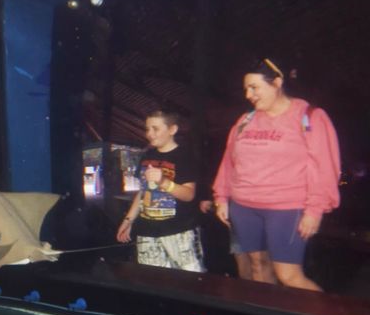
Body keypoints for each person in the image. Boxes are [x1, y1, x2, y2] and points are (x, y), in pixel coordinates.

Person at [213, 58, 341, 291]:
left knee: (289, 276)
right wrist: (221, 196)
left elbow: (324, 167)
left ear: (277, 83)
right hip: (243, 207)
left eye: (254, 87)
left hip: (286, 208)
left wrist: (315, 210)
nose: (248, 94)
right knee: (258, 266)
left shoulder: (310, 117)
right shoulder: (245, 120)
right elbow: (229, 161)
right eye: (246, 89)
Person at [116, 110, 204, 272]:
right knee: (153, 282)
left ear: (172, 130)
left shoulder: (185, 156)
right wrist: (128, 220)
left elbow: (189, 194)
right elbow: (142, 193)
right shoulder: (146, 156)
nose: (149, 134)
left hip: (179, 232)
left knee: (191, 282)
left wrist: (163, 181)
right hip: (147, 232)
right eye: (148, 129)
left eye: (155, 129)